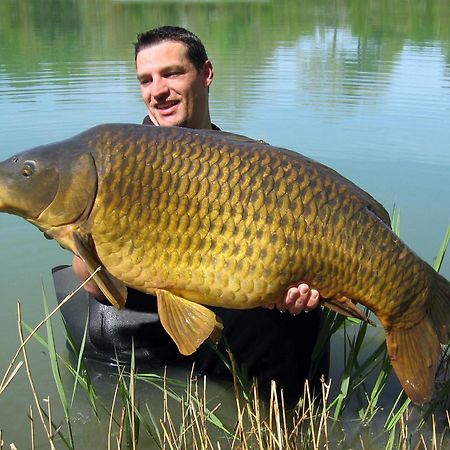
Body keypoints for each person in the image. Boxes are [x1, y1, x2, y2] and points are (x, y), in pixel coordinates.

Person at [56, 25, 328, 401]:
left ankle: (282, 428)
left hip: (219, 295)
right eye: (146, 80)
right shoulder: (122, 159)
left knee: (300, 318)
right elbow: (86, 278)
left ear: (207, 73)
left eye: (171, 73)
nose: (157, 91)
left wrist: (289, 284)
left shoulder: (245, 162)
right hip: (145, 305)